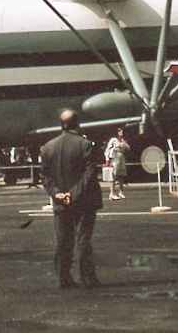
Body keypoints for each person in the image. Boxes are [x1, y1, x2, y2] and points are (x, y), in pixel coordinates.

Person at [40, 109, 102, 289]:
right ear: (77, 123)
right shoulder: (85, 145)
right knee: (83, 240)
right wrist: (73, 194)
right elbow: (89, 174)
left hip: (60, 202)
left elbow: (45, 177)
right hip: (83, 201)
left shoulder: (48, 147)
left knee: (63, 241)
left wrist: (57, 193)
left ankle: (63, 277)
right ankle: (87, 277)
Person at [104, 128, 131, 201]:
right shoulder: (113, 140)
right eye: (119, 131)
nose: (121, 132)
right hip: (114, 157)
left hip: (121, 157)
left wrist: (124, 143)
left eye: (122, 131)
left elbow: (128, 148)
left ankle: (121, 192)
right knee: (113, 176)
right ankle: (112, 193)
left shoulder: (123, 140)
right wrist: (107, 160)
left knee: (121, 175)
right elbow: (108, 150)